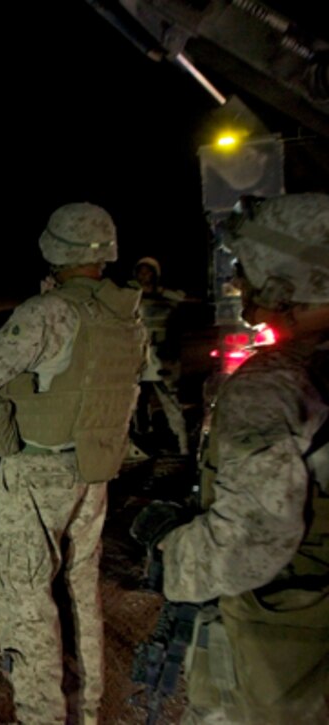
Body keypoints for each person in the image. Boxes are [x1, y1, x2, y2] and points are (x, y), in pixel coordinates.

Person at [0, 202, 148, 725]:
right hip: (92, 471)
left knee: (26, 603)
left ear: (54, 250)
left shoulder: (48, 312)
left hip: (37, 473)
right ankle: (87, 711)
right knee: (80, 594)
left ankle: (41, 716)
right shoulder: (124, 315)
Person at [130, 192, 329, 724]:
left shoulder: (272, 387)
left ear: (286, 283)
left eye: (248, 268)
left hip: (286, 661)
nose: (238, 281)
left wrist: (170, 549)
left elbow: (248, 544)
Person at [128, 256, 191, 455]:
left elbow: (184, 300)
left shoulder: (165, 296)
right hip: (137, 356)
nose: (144, 276)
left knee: (170, 402)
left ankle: (183, 447)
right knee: (134, 402)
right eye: (141, 271)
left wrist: (161, 293)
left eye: (148, 272)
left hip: (162, 356)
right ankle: (141, 442)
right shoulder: (129, 296)